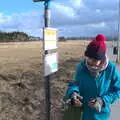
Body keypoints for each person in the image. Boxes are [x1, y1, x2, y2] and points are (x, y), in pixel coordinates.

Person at [64, 34, 120, 120]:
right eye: (88, 57)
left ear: (102, 59)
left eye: (94, 60)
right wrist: (73, 94)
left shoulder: (110, 69)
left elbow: (117, 90)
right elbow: (74, 84)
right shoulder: (81, 67)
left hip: (101, 116)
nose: (90, 62)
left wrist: (103, 101)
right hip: (82, 115)